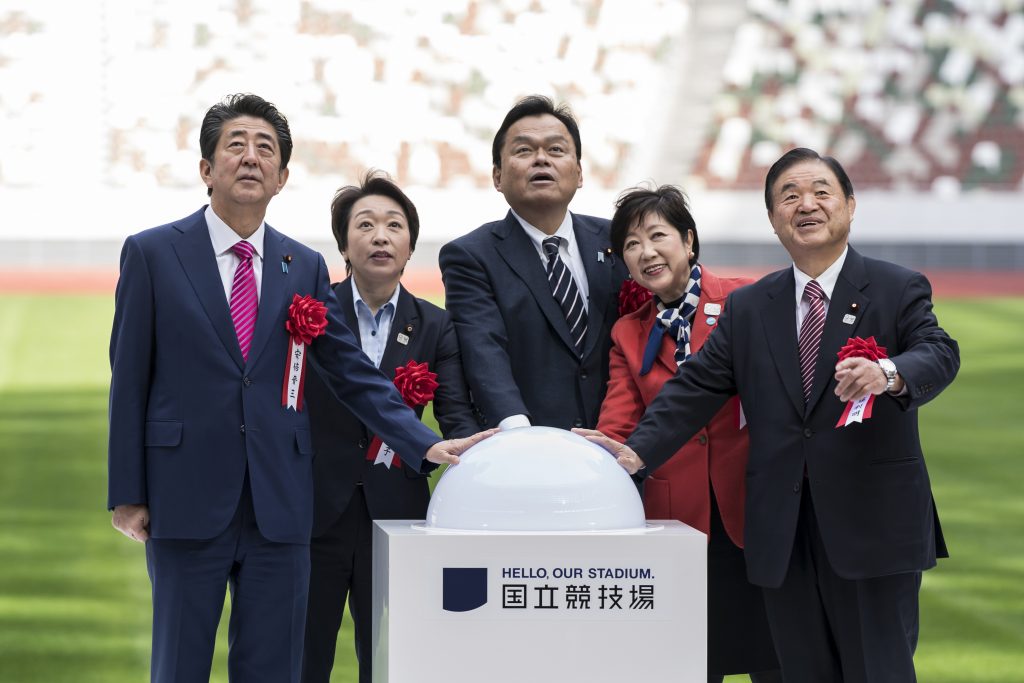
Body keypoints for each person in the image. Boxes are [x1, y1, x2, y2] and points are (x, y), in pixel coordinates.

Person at [107, 94, 490, 683]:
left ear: (283, 177)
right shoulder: (153, 253)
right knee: (179, 665)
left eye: (267, 149)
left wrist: (421, 442)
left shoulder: (302, 265)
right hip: (185, 497)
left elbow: (350, 369)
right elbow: (129, 378)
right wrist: (127, 491)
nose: (251, 158)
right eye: (236, 144)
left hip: (281, 506)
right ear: (206, 168)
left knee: (274, 668)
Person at [579, 148, 959, 683]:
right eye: (789, 196)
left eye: (821, 192)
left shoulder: (897, 286)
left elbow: (939, 351)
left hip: (872, 529)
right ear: (773, 219)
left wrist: (889, 373)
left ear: (850, 206)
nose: (806, 205)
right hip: (782, 536)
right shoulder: (753, 306)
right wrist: (634, 452)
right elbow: (695, 387)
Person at [300, 171, 480, 683]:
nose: (380, 236)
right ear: (344, 245)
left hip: (398, 514)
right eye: (365, 225)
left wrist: (473, 447)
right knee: (303, 655)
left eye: (394, 226)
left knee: (389, 660)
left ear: (409, 247)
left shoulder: (436, 325)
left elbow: (453, 412)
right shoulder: (311, 314)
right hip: (316, 510)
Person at [597, 185, 780, 683]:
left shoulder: (749, 299)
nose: (646, 252)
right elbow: (619, 421)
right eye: (631, 245)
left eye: (658, 236)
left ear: (689, 240)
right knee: (690, 663)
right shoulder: (627, 332)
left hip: (754, 509)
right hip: (677, 520)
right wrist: (593, 453)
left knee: (779, 657)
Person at [439, 95, 628, 431]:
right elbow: (484, 351)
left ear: (579, 173)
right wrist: (519, 437)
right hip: (527, 451)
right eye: (524, 150)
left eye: (556, 149)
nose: (541, 159)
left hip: (617, 449)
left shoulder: (620, 241)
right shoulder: (470, 256)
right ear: (497, 176)